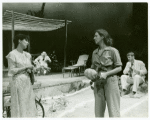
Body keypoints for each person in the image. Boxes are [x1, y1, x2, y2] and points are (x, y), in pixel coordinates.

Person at [86, 29, 122, 117]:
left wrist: (106, 74)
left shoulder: (113, 51)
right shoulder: (94, 52)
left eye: (96, 36)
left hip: (110, 81)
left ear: (102, 37)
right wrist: (91, 80)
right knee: (98, 112)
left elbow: (119, 67)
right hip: (98, 83)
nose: (94, 38)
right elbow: (93, 68)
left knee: (114, 111)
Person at [6, 34, 36, 117]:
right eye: (26, 40)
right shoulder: (12, 54)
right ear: (19, 40)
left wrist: (31, 69)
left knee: (28, 104)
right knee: (20, 105)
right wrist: (26, 67)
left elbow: (29, 67)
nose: (27, 43)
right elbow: (11, 70)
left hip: (27, 83)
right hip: (18, 84)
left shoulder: (27, 55)